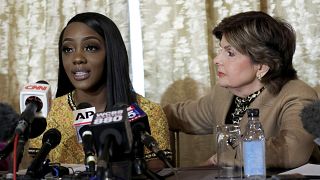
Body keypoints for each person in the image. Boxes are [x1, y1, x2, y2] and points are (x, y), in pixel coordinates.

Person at [163, 11, 320, 169]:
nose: (217, 60)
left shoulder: (298, 96)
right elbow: (180, 116)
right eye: (221, 50)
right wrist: (142, 110)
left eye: (230, 53)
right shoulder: (224, 93)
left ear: (262, 65)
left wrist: (223, 157)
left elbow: (290, 151)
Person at [28, 12, 171, 172]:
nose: (77, 58)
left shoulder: (148, 112)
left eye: (90, 47)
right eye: (68, 49)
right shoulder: (49, 114)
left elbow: (158, 168)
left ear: (111, 53)